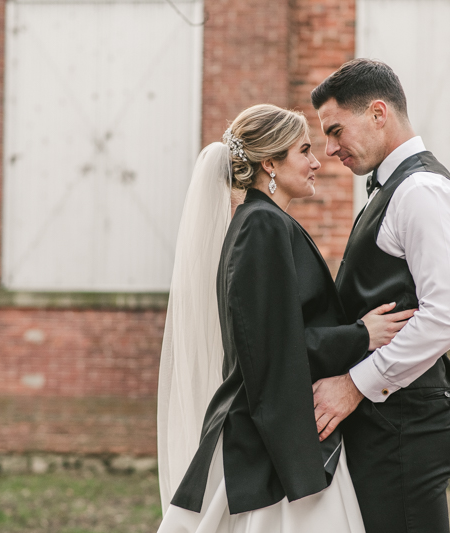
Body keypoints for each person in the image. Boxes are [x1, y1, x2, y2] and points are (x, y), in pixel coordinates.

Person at [157, 104, 415, 533]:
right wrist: (360, 335)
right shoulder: (262, 226)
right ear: (271, 163)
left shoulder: (263, 222)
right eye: (304, 151)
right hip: (274, 437)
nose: (317, 161)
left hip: (276, 419)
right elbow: (270, 347)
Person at [310, 59, 450, 533]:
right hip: (390, 422)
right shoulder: (395, 188)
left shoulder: (421, 190)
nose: (330, 148)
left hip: (406, 425)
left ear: (378, 113)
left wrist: (355, 384)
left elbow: (449, 316)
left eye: (336, 130)